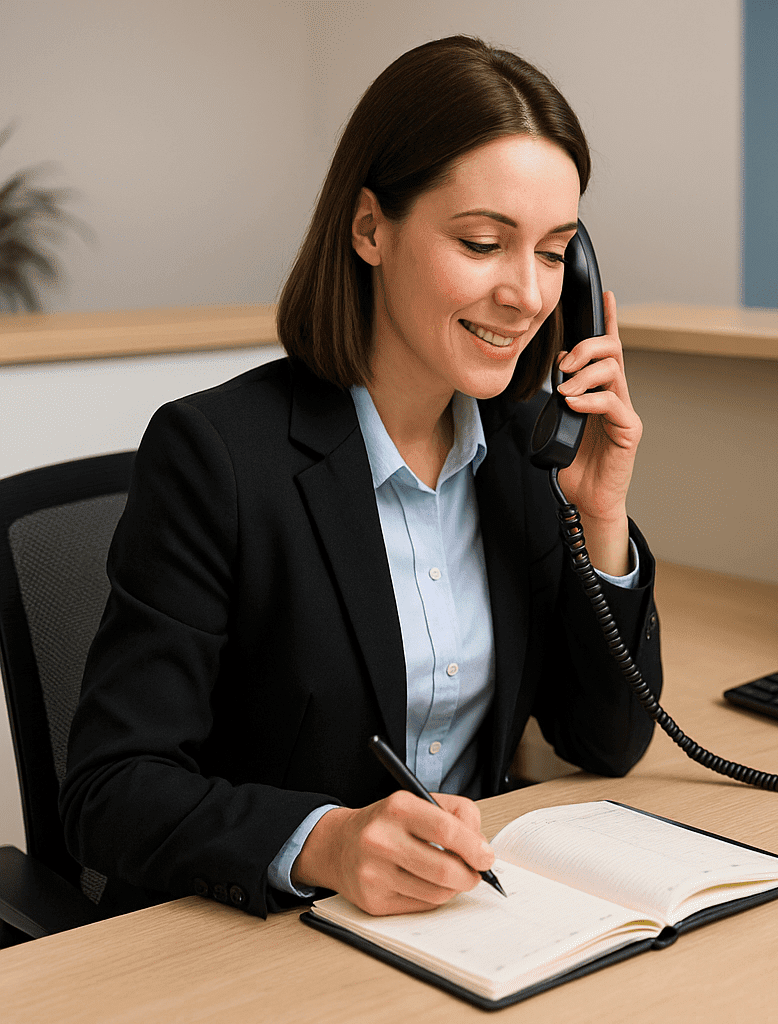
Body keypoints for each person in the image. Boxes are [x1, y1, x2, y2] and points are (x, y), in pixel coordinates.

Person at [60, 36, 662, 919]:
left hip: (461, 928)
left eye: (551, 252)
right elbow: (107, 793)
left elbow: (606, 739)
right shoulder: (216, 455)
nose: (529, 297)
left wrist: (602, 516)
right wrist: (326, 843)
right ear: (371, 227)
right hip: (254, 937)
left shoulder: (525, 458)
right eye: (485, 242)